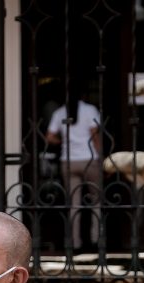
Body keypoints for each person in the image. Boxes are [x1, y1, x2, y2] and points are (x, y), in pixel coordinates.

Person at [46, 87, 103, 252]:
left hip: (69, 160)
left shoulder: (60, 112)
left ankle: (74, 243)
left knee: (74, 204)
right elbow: (95, 135)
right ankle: (95, 239)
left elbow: (49, 136)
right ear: (83, 96)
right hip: (89, 159)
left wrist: (62, 142)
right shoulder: (89, 110)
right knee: (96, 202)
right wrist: (100, 156)